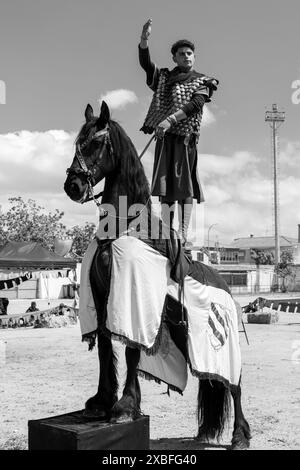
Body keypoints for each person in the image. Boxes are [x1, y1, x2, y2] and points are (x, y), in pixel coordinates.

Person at [139, 19, 218, 251]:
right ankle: (166, 230)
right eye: (182, 53)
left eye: (190, 53)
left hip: (186, 141)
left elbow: (196, 104)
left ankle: (183, 232)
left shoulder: (204, 80)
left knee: (185, 188)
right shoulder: (164, 78)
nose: (186, 56)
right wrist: (144, 41)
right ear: (174, 57)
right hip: (165, 141)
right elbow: (146, 65)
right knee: (165, 189)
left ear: (194, 56)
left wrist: (171, 119)